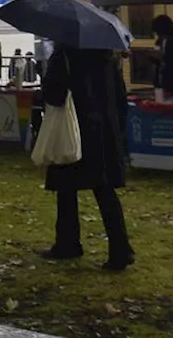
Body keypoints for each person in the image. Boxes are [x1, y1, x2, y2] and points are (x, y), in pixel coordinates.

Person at [40, 45, 134, 271]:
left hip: (74, 130)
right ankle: (120, 248)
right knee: (105, 191)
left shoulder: (64, 55)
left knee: (66, 188)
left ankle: (68, 242)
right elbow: (120, 97)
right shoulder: (107, 57)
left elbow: (53, 94)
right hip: (104, 132)